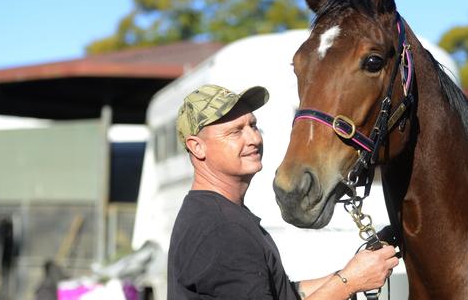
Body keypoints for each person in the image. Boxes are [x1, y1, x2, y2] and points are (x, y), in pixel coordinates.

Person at [167, 84, 399, 300]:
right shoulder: (221, 229)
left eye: (253, 125)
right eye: (236, 132)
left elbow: (280, 292)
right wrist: (349, 282)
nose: (254, 139)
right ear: (197, 147)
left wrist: (358, 270)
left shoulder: (215, 212)